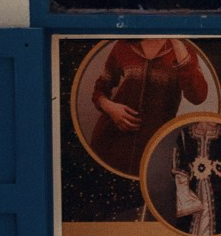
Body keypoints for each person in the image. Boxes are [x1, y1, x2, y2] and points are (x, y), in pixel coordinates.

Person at [84, 37, 209, 177]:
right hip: (111, 141)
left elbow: (198, 97)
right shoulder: (123, 45)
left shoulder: (185, 50)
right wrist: (110, 107)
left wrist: (178, 44)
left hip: (153, 147)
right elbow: (100, 90)